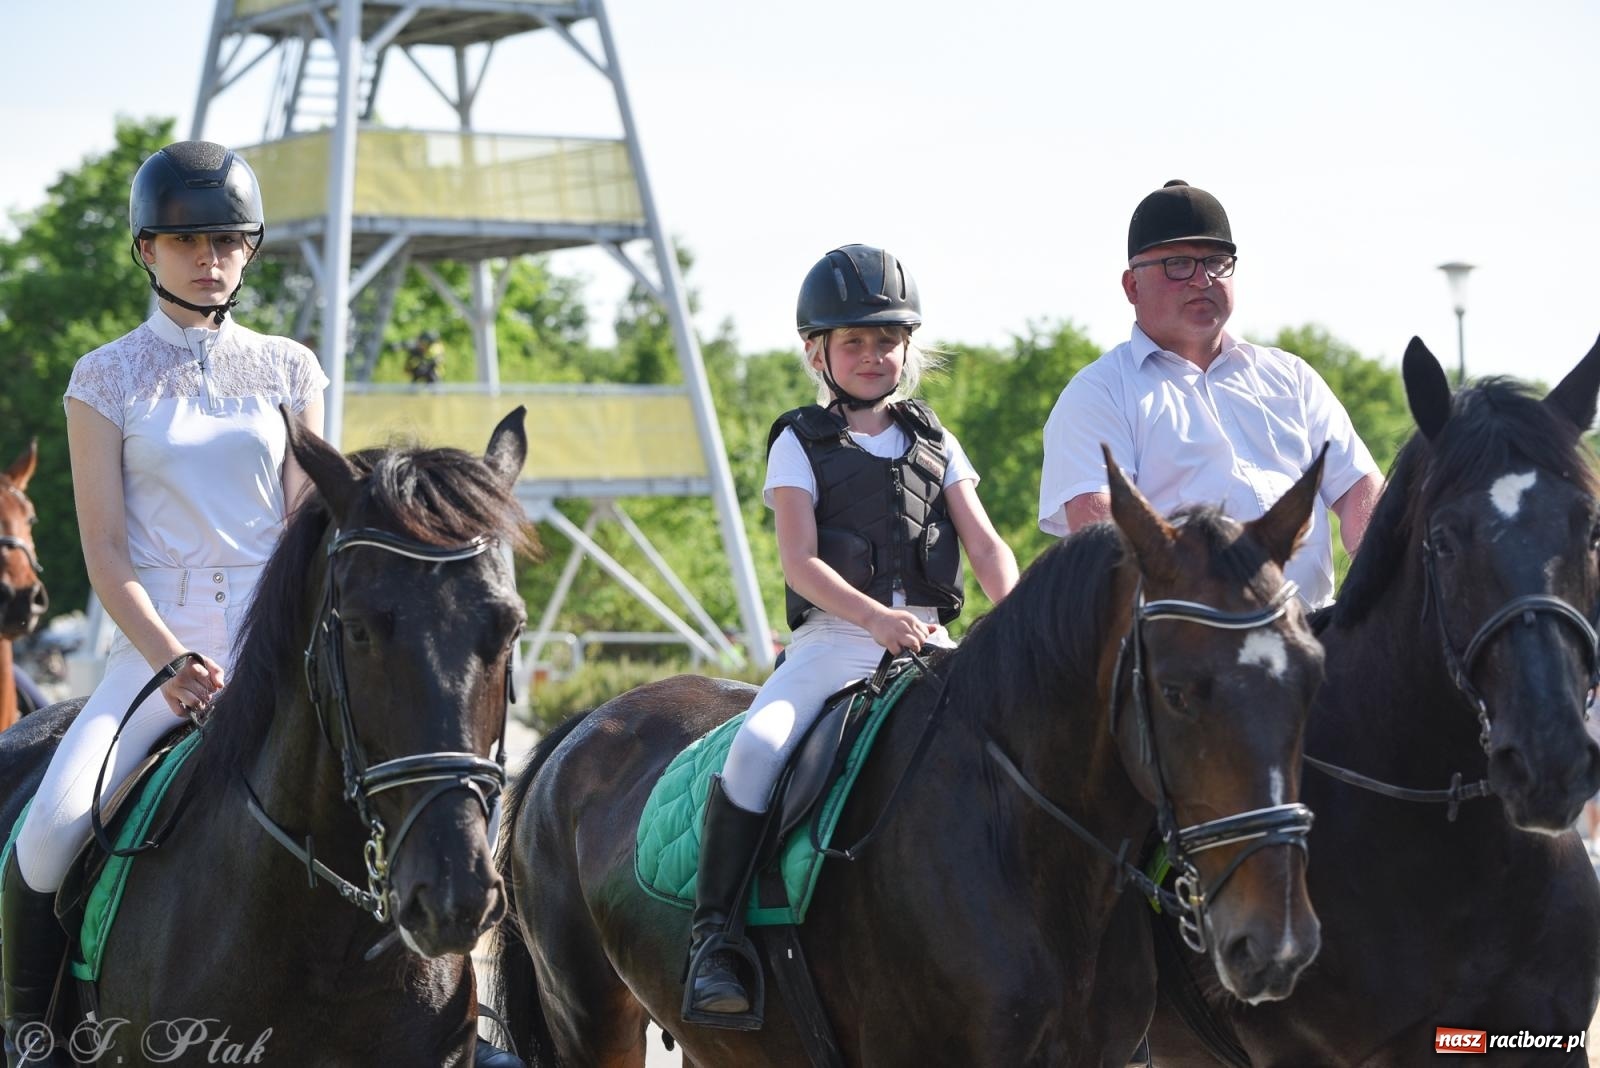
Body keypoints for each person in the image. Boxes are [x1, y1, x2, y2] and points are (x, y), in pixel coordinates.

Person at [0, 141, 325, 1067]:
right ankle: (30, 1037)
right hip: (154, 652)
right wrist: (171, 660)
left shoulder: (291, 370)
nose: (209, 257)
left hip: (279, 648)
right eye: (186, 240)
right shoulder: (105, 378)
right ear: (147, 249)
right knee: (50, 836)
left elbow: (308, 525)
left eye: (227, 239)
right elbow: (105, 552)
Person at [683, 244, 1018, 1025]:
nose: (874, 356)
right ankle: (715, 939)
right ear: (818, 352)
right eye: (855, 342)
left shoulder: (936, 439)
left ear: (908, 348)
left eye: (887, 341)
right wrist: (873, 618)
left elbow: (987, 545)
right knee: (758, 748)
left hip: (933, 644)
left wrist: (1025, 623)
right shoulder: (798, 440)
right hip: (836, 643)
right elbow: (799, 561)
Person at [1038, 180, 1384, 607]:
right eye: (1178, 264)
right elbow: (1103, 542)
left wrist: (1376, 590)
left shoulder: (1290, 377)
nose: (1203, 279)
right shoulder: (1097, 394)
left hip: (1312, 640)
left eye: (1219, 262)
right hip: (1190, 653)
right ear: (1131, 286)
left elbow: (1359, 491)